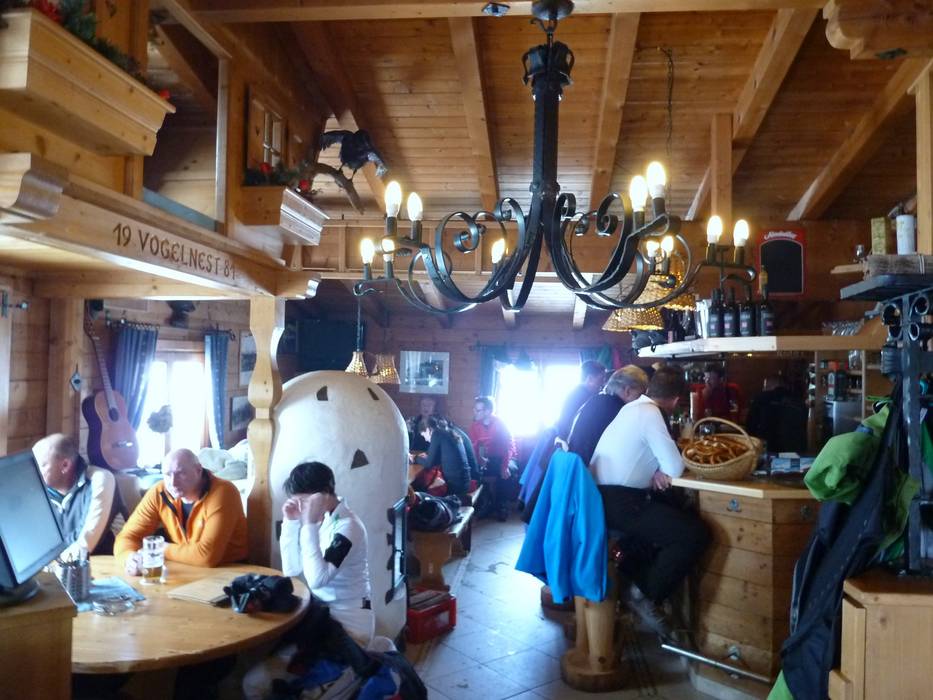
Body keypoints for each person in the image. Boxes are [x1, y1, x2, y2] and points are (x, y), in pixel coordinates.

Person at [590, 366, 708, 637]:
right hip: (620, 502)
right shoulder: (651, 413)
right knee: (694, 535)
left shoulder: (631, 408)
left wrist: (656, 469)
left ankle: (635, 579)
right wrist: (662, 469)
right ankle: (644, 593)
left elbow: (654, 461)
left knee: (670, 515)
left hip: (603, 499)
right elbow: (675, 468)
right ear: (676, 401)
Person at [242, 462, 373, 699]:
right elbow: (292, 569)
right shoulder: (323, 520)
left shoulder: (348, 526)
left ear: (323, 494)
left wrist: (309, 525)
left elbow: (317, 579)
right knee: (254, 680)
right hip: (320, 618)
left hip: (350, 625)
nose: (301, 508)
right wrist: (291, 523)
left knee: (258, 684)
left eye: (304, 501)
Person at [114, 448, 248, 571]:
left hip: (230, 570)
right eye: (167, 474)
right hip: (186, 566)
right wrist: (129, 558)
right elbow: (127, 537)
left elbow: (207, 556)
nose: (173, 483)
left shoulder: (224, 492)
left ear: (198, 470)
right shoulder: (159, 492)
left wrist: (160, 548)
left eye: (181, 473)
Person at [32, 433, 119, 559]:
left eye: (41, 465)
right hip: (62, 564)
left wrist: (48, 560)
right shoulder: (37, 489)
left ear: (65, 465)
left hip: (105, 562)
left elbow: (85, 543)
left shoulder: (99, 480)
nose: (34, 471)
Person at [566, 365, 649, 465]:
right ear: (627, 391)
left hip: (575, 466)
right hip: (588, 470)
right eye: (640, 394)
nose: (641, 399)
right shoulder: (618, 409)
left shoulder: (597, 399)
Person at [469, 396, 517, 521]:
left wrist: (504, 466)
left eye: (478, 410)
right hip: (488, 457)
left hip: (505, 456)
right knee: (475, 472)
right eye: (474, 409)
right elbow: (474, 446)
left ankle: (501, 505)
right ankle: (486, 503)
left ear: (488, 411)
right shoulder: (474, 425)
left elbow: (507, 447)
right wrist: (479, 460)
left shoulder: (500, 424)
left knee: (508, 472)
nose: (474, 412)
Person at [413, 417, 472, 500]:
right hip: (464, 482)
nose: (425, 439)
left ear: (428, 430)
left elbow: (429, 464)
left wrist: (415, 458)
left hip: (455, 486)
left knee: (421, 491)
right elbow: (439, 458)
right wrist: (426, 456)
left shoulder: (436, 434)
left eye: (424, 435)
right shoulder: (447, 432)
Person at [746, 375, 808, 453]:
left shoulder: (760, 398)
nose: (764, 389)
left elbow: (750, 425)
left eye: (765, 387)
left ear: (771, 386)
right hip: (795, 451)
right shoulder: (799, 402)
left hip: (766, 449)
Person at [554, 360, 607, 445]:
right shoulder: (585, 397)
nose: (603, 384)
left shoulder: (577, 392)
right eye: (601, 380)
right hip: (570, 444)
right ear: (590, 379)